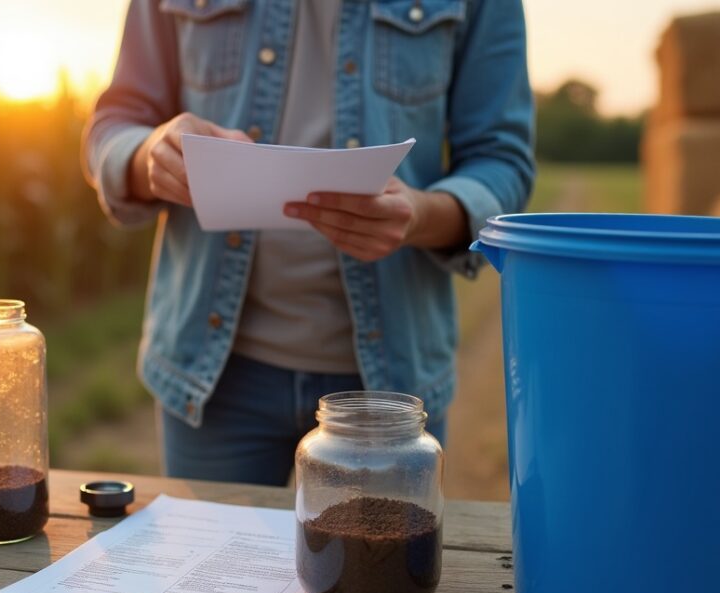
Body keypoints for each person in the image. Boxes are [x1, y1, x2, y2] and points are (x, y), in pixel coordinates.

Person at [83, 0, 534, 486]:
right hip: (213, 379)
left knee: (376, 564)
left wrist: (421, 216)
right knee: (217, 563)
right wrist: (150, 152)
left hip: (388, 386)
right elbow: (112, 128)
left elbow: (502, 161)